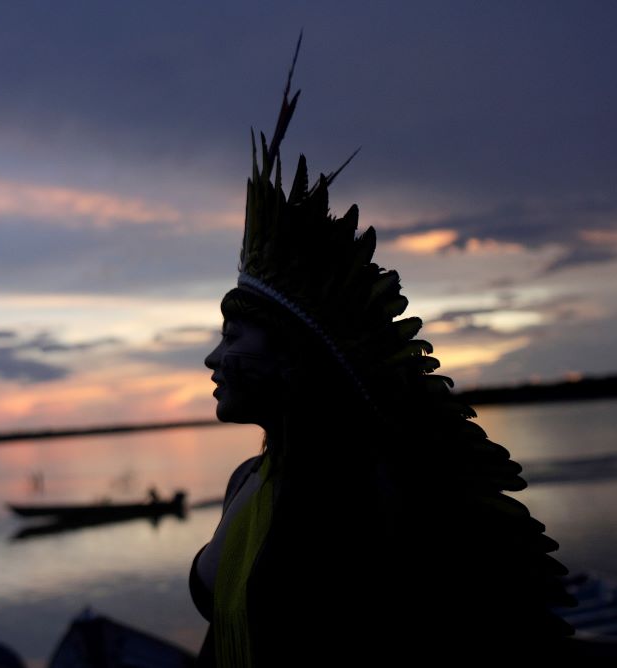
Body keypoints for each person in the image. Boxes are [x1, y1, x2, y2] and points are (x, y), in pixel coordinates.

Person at [189, 55, 581, 666]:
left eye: (235, 336)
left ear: (297, 362)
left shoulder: (373, 495)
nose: (214, 357)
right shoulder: (248, 479)